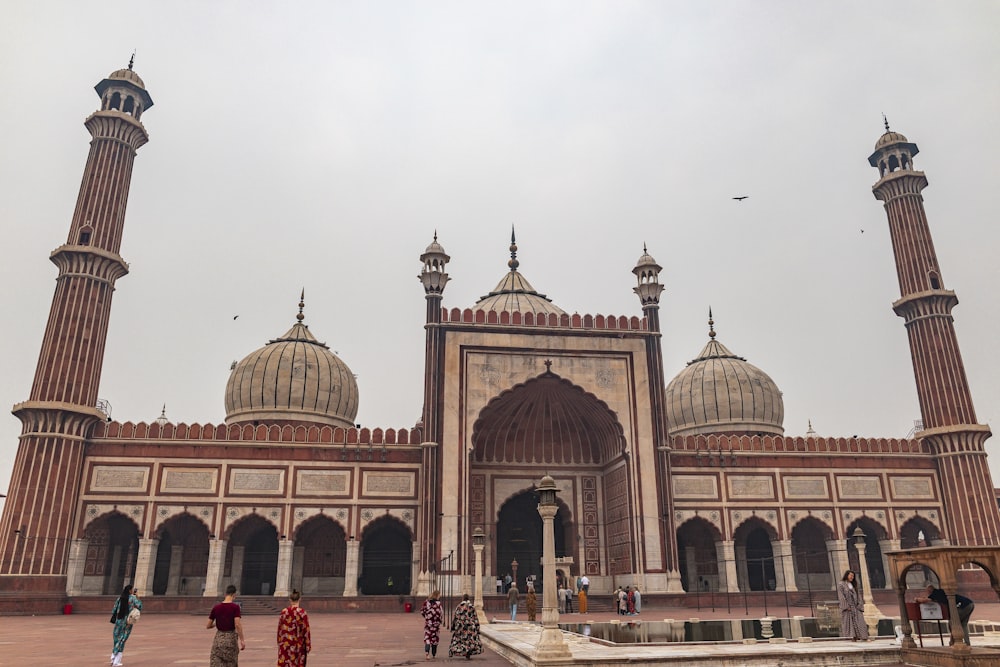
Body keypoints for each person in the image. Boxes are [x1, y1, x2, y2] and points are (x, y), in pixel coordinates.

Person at [208, 584, 246, 666]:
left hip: (218, 639)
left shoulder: (216, 607)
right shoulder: (235, 607)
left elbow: (208, 625)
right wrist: (242, 640)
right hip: (230, 639)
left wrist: (217, 623)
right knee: (231, 663)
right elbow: (237, 624)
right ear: (234, 595)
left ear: (225, 594)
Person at [109, 584, 141, 667]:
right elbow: (139, 606)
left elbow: (114, 610)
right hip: (127, 622)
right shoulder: (132, 598)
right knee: (122, 639)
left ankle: (113, 658)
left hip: (119, 620)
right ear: (130, 590)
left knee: (116, 638)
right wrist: (137, 597)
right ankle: (116, 661)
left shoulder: (120, 598)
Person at [276, 589, 311, 667]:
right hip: (298, 644)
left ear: (290, 600)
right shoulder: (302, 613)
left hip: (285, 643)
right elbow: (306, 630)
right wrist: (308, 645)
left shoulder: (284, 612)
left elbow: (280, 629)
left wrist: (279, 641)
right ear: (299, 599)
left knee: (285, 663)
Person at [448, 593, 483, 660]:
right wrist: (477, 628)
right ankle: (468, 653)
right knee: (470, 640)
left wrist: (453, 627)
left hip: (461, 627)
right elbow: (475, 618)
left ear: (462, 598)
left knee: (461, 640)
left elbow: (456, 617)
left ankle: (461, 651)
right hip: (470, 627)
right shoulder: (472, 607)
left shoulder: (459, 607)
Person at [837, 570, 868, 641]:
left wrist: (859, 605)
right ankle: (852, 637)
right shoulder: (841, 584)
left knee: (860, 622)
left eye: (853, 576)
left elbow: (858, 595)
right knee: (849, 623)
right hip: (848, 608)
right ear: (846, 575)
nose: (852, 577)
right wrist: (846, 606)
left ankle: (863, 637)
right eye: (850, 575)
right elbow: (841, 596)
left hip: (856, 607)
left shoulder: (854, 585)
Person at [420, 589, 444, 660]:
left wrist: (427, 617)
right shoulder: (438, 603)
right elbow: (441, 613)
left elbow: (422, 611)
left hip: (428, 624)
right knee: (434, 639)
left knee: (427, 637)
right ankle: (433, 654)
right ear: (437, 595)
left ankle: (427, 653)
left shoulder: (426, 602)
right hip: (436, 625)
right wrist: (439, 620)